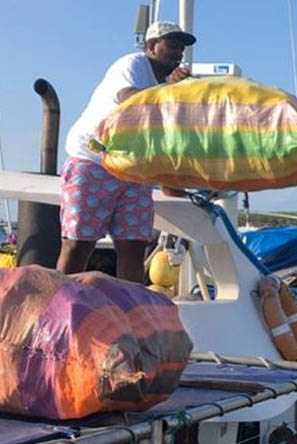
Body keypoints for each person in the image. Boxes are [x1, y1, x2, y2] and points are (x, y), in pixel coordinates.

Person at [56, 21, 196, 283]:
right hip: (94, 161)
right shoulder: (132, 64)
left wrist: (173, 187)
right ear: (151, 47)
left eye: (181, 48)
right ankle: (60, 302)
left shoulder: (170, 90)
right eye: (172, 45)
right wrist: (169, 89)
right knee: (78, 244)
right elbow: (129, 100)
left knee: (134, 246)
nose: (178, 53)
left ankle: (129, 305)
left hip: (134, 172)